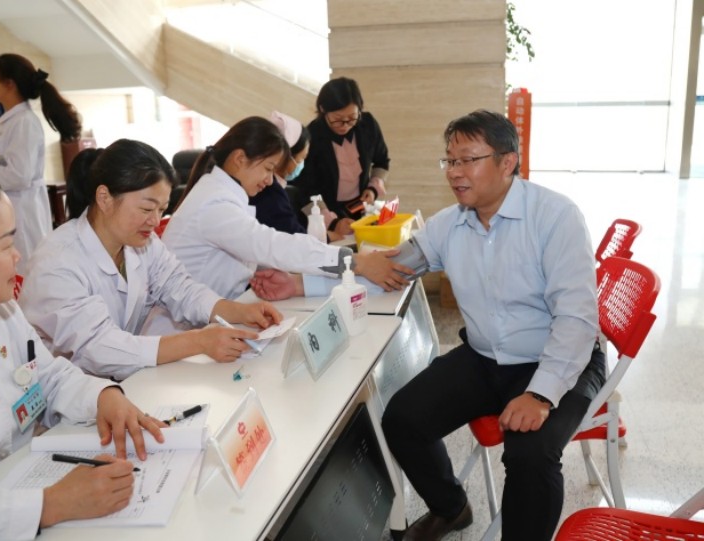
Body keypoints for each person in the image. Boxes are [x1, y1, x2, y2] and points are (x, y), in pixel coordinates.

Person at [375, 110, 606, 541]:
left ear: (507, 162)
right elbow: (395, 266)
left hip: (557, 360)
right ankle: (451, 508)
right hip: (485, 357)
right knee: (403, 419)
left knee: (531, 456)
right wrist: (312, 277)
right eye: (450, 161)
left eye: (467, 159)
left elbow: (576, 318)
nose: (454, 172)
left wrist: (540, 393)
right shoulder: (449, 223)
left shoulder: (555, 216)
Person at [0, 160, 166, 539]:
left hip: (29, 476)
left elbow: (48, 374)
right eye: (6, 244)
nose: (18, 257)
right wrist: (49, 505)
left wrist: (104, 396)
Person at [18, 139, 282, 381]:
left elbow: (181, 288)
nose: (155, 221)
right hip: (62, 398)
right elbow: (99, 348)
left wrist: (241, 311)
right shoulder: (57, 262)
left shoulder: (141, 243)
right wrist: (199, 342)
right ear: (105, 198)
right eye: (146, 208)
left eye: (162, 210)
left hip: (116, 382)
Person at [161, 116, 410, 304]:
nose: (270, 180)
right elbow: (274, 245)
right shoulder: (215, 205)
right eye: (268, 168)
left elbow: (257, 250)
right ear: (239, 159)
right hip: (187, 331)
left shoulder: (224, 194)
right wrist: (354, 262)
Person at [0, 53, 82, 274]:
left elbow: (19, 175)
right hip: (11, 204)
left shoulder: (24, 123)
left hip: (23, 208)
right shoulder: (10, 121)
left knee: (26, 270)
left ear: (9, 84)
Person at [295, 77, 390, 235]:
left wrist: (373, 188)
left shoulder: (367, 125)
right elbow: (306, 188)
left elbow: (382, 161)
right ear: (323, 109)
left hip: (360, 207)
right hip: (326, 211)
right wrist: (332, 222)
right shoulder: (312, 137)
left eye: (352, 118)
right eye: (338, 120)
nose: (345, 125)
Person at [248, 111, 344, 242]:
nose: (301, 164)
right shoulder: (270, 190)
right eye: (301, 159)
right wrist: (328, 237)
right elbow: (292, 234)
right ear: (285, 156)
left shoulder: (274, 186)